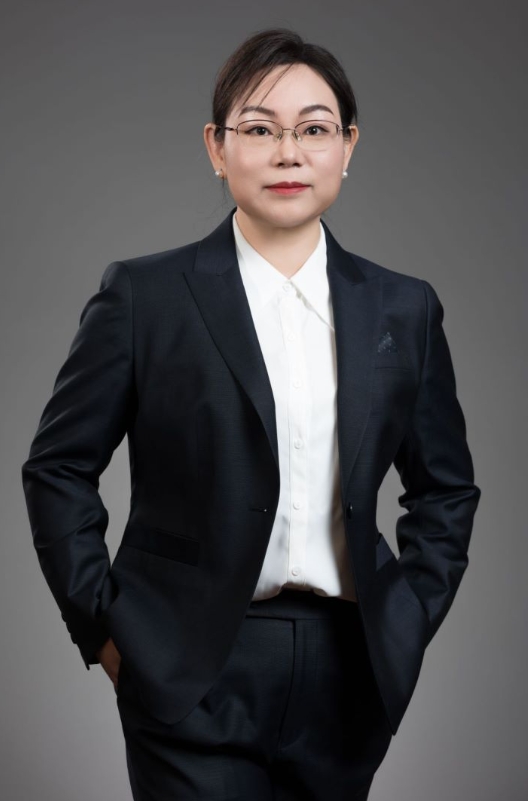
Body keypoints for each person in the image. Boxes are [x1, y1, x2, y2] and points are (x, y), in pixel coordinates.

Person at [21, 27, 481, 801]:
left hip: (347, 669)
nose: (289, 153)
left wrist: (408, 617)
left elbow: (446, 489)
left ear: (347, 145)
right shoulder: (145, 298)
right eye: (261, 129)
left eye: (314, 130)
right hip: (187, 662)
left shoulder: (404, 307)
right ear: (218, 146)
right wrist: (101, 628)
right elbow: (58, 467)